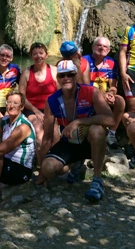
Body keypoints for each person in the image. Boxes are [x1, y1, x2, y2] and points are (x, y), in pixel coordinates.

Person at [39, 60, 114, 203]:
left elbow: (110, 120)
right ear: (58, 79)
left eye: (70, 74)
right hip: (69, 142)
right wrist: (42, 173)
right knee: (48, 168)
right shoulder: (52, 101)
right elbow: (47, 137)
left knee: (97, 130)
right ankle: (76, 164)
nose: (66, 78)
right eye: (62, 75)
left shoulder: (91, 92)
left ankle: (97, 180)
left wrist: (79, 121)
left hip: (90, 141)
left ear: (76, 76)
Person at [83, 37, 125, 149]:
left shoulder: (111, 63)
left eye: (105, 46)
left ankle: (111, 134)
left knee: (120, 101)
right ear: (92, 47)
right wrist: (101, 95)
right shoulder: (84, 61)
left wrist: (111, 93)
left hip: (105, 94)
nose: (102, 48)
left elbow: (113, 86)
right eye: (99, 45)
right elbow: (84, 86)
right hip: (88, 95)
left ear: (109, 50)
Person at [19, 42, 58, 161]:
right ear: (31, 56)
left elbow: (60, 94)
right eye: (35, 54)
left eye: (41, 53)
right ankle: (42, 167)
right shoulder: (26, 72)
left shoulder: (54, 71)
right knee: (39, 132)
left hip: (50, 109)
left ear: (47, 55)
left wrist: (49, 113)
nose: (38, 56)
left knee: (55, 135)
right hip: (31, 109)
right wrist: (36, 111)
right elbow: (22, 97)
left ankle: (54, 162)